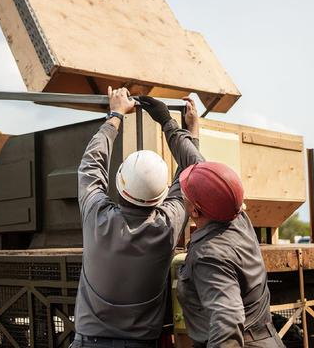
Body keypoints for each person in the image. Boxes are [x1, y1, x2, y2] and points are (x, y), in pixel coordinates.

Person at [72, 87, 203, 348]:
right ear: (163, 194)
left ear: (120, 183)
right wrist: (177, 127)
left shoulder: (97, 216)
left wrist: (115, 115)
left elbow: (91, 164)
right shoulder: (167, 224)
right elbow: (196, 174)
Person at [175, 158, 284, 346]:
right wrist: (173, 129)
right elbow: (212, 179)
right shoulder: (239, 218)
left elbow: (227, 323)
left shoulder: (210, 255)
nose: (182, 195)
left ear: (194, 210)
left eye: (185, 194)